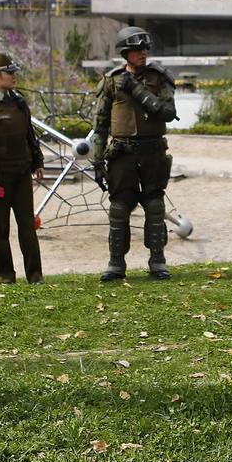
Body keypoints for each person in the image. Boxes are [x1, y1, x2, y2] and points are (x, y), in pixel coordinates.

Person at [90, 26, 177, 281]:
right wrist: (97, 160)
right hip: (122, 153)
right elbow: (100, 125)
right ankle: (116, 264)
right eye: (137, 50)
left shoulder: (159, 78)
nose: (143, 54)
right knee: (118, 208)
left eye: (145, 49)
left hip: (153, 152)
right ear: (125, 53)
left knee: (154, 205)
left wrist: (137, 90)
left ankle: (157, 261)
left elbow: (168, 113)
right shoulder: (111, 81)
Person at [0, 52, 44, 284]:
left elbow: (29, 136)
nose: (13, 76)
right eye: (9, 72)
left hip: (21, 173)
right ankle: (3, 277)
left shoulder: (18, 102)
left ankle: (35, 275)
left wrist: (37, 161)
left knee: (27, 226)